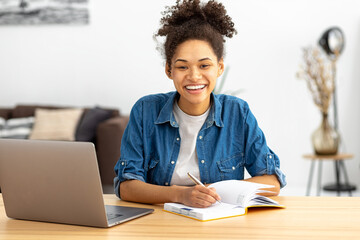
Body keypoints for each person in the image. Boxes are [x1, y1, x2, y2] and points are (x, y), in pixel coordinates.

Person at [114, 0, 286, 208]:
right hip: (161, 221)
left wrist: (217, 192)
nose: (194, 76)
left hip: (217, 221)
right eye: (182, 67)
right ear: (169, 70)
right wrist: (182, 195)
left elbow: (272, 182)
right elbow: (127, 186)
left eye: (204, 65)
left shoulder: (237, 112)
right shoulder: (145, 111)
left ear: (219, 67)